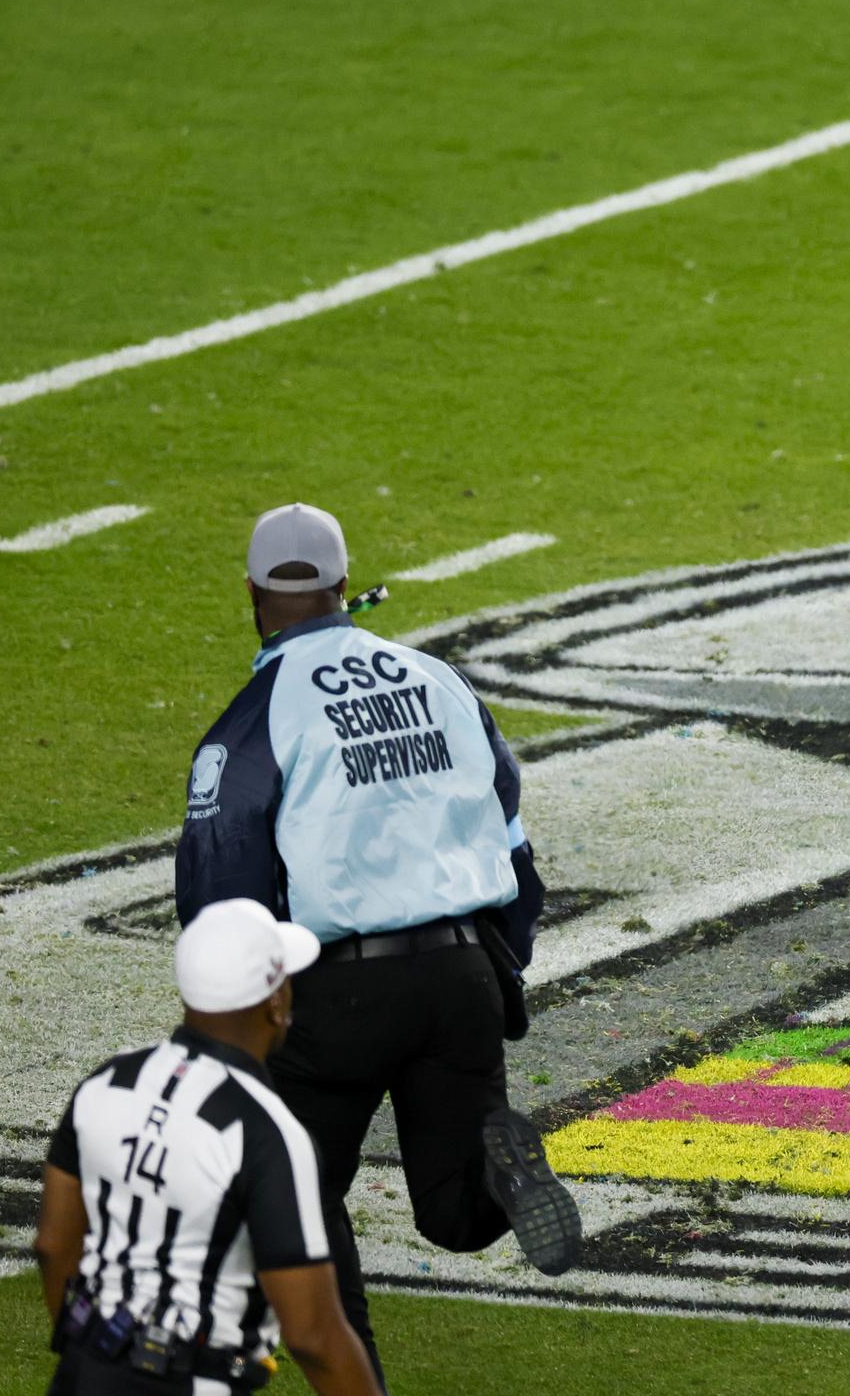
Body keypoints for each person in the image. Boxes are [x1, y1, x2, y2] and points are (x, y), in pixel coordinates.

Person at [173, 502, 580, 1383]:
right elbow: (513, 836)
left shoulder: (251, 722)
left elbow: (221, 901)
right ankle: (502, 1177)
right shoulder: (439, 679)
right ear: (342, 586)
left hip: (343, 993)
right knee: (452, 1211)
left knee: (293, 1204)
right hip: (465, 969)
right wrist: (497, 968)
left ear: (251, 593)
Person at [34, 898, 382, 1395]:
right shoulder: (266, 1133)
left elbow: (52, 1244)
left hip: (84, 1371)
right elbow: (313, 1335)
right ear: (275, 1001)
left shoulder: (107, 1082)